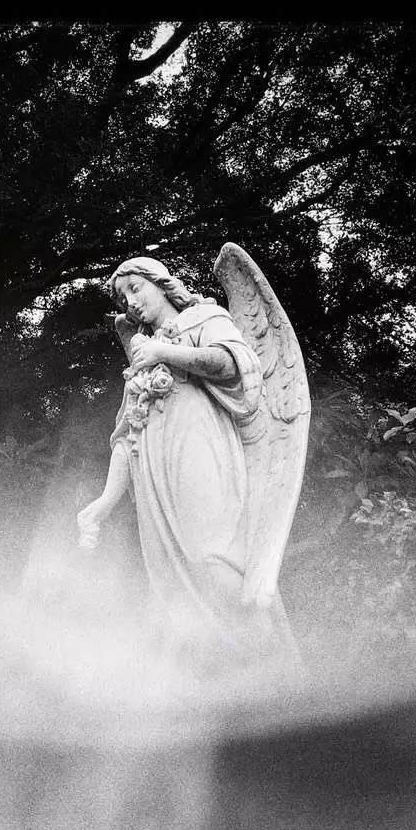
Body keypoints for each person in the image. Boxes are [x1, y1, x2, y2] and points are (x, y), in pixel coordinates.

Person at [77, 257, 302, 674]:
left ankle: (275, 671)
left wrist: (163, 352)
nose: (131, 302)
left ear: (161, 283)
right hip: (153, 470)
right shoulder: (141, 349)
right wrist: (106, 499)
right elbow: (127, 432)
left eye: (136, 289)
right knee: (173, 579)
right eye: (123, 298)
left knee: (212, 559)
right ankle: (217, 678)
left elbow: (235, 364)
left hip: (198, 445)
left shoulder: (203, 318)